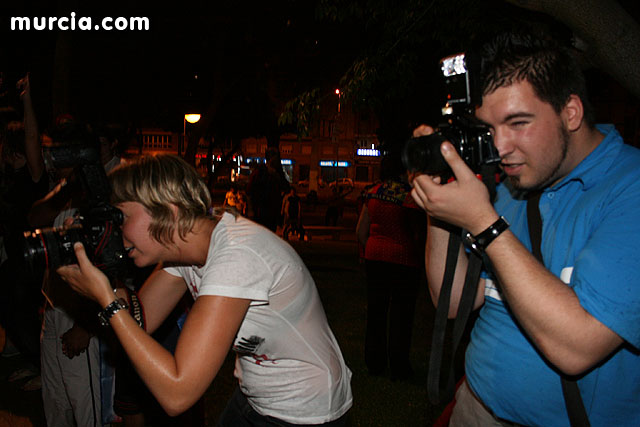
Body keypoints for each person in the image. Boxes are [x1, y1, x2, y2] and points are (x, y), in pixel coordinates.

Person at [410, 30, 640, 426]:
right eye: (489, 128)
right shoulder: (511, 185)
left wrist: (484, 222)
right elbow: (451, 302)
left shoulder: (628, 188)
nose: (500, 148)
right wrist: (440, 205)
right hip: (476, 406)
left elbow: (577, 348)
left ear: (571, 112)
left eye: (518, 123)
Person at [57, 154, 353, 426]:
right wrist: (98, 277)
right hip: (257, 395)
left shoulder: (238, 257)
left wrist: (106, 299)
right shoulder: (187, 247)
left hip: (306, 408)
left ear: (168, 210)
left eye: (121, 218)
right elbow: (139, 318)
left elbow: (177, 392)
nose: (115, 231)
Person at [356, 150, 426, 380]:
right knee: (401, 315)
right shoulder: (409, 196)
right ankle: (399, 364)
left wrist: (369, 249)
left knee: (376, 312)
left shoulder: (372, 192)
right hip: (404, 259)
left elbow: (360, 231)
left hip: (375, 256)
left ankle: (374, 362)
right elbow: (417, 233)